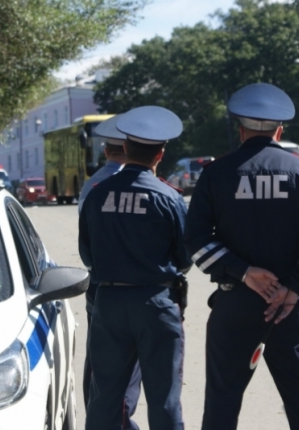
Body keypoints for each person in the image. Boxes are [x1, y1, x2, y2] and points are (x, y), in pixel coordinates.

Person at [184, 83, 299, 430]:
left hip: (235, 303)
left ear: (241, 131)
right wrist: (292, 287)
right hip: (289, 308)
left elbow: (196, 241)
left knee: (222, 402)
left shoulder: (216, 173)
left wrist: (243, 272)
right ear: (279, 131)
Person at [79, 105, 192, 430]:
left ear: (125, 148)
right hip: (156, 304)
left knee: (104, 398)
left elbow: (87, 253)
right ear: (160, 154)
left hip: (109, 303)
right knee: (164, 400)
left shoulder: (97, 195)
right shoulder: (168, 197)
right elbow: (185, 257)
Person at [77, 115, 142, 430]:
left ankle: (100, 418)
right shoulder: (146, 184)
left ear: (106, 151)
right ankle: (121, 423)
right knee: (132, 363)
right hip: (141, 286)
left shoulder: (92, 185)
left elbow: (86, 243)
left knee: (99, 358)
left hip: (101, 284)